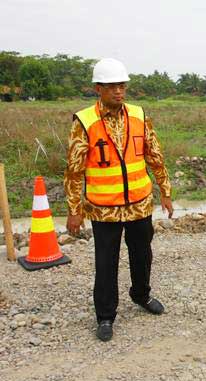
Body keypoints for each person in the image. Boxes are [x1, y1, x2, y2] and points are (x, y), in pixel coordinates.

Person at [64, 58, 173, 342]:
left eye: (122, 85)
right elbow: (74, 169)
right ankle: (105, 316)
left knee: (142, 253)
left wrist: (165, 190)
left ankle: (141, 295)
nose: (119, 91)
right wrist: (74, 209)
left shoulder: (139, 115)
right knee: (106, 261)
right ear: (98, 88)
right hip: (103, 209)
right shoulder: (84, 121)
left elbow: (154, 154)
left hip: (139, 203)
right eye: (112, 86)